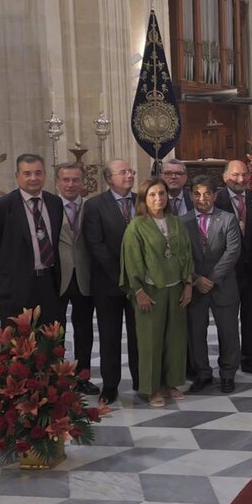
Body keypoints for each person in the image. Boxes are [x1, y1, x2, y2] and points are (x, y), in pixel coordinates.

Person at [120, 178, 194, 407]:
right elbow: (131, 260)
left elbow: (187, 253)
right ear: (144, 198)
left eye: (161, 194)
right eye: (152, 194)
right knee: (150, 341)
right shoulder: (137, 226)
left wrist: (189, 284)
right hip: (151, 290)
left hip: (176, 289)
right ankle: (151, 389)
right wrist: (138, 291)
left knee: (175, 339)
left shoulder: (175, 222)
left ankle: (171, 382)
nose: (158, 198)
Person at [0, 153, 65, 330]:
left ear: (45, 175)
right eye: (27, 173)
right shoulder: (0, 208)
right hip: (15, 288)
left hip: (48, 285)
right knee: (18, 347)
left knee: (51, 342)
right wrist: (4, 274)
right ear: (17, 176)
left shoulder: (55, 203)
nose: (33, 178)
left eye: (38, 173)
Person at [84, 158, 140, 405]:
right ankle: (110, 385)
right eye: (123, 172)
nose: (129, 175)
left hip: (141, 284)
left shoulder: (142, 201)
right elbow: (96, 245)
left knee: (140, 335)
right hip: (108, 284)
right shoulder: (95, 205)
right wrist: (122, 277)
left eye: (131, 171)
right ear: (109, 178)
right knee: (110, 336)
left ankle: (142, 381)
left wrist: (138, 278)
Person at [183, 176, 241, 394]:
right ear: (190, 196)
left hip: (223, 285)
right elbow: (181, 256)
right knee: (196, 333)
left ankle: (227, 374)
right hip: (195, 288)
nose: (202, 198)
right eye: (197, 193)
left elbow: (232, 251)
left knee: (228, 333)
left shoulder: (227, 219)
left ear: (215, 195)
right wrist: (196, 279)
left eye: (207, 193)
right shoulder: (182, 222)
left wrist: (211, 279)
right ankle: (203, 373)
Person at [215, 160, 252, 376]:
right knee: (227, 320)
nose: (241, 179)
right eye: (235, 175)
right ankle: (228, 362)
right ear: (225, 177)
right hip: (227, 271)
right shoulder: (216, 200)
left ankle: (250, 359)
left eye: (245, 174)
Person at [54, 162, 98, 396]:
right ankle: (57, 377)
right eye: (66, 179)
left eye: (75, 180)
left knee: (84, 330)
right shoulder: (49, 207)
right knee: (55, 329)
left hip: (85, 276)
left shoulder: (92, 207)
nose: (70, 184)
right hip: (57, 278)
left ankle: (83, 376)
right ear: (57, 182)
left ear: (83, 183)